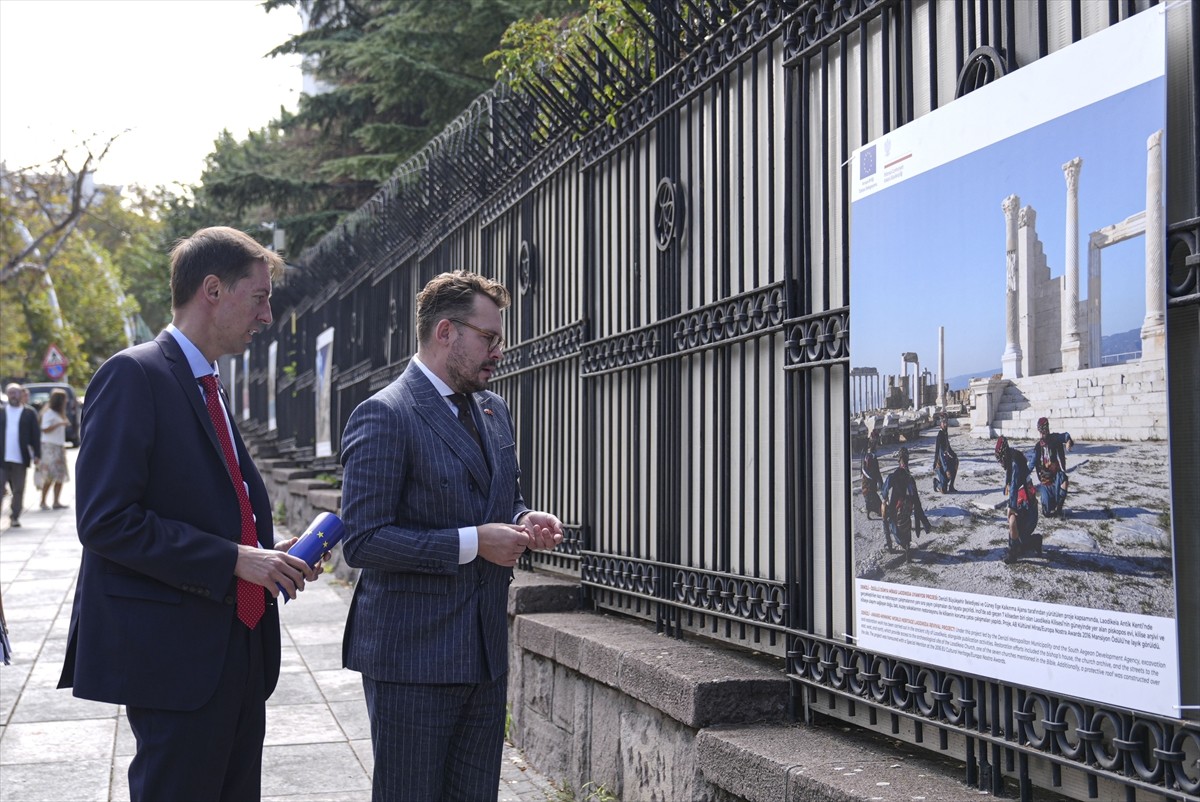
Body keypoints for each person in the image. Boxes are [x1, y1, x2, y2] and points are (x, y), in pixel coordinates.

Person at [57, 226, 321, 802]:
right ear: (213, 290)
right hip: (176, 659)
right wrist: (231, 560)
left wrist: (269, 555)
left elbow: (212, 502)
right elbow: (104, 520)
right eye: (259, 297)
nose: (268, 316)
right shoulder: (134, 374)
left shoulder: (208, 382)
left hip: (239, 648)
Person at [339, 270, 564, 801]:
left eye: (499, 339)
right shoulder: (385, 414)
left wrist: (523, 521)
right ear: (446, 332)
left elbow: (497, 503)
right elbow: (364, 540)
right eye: (488, 338)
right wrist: (474, 542)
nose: (499, 351)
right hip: (412, 661)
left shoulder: (493, 408)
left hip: (483, 655)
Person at [880, 446, 931, 560]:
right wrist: (923, 520)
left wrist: (884, 497)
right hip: (907, 506)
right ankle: (907, 546)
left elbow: (886, 486)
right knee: (906, 526)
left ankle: (890, 544)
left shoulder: (895, 474)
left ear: (899, 460)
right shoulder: (909, 477)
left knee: (888, 520)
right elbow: (915, 499)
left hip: (896, 506)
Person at [995, 436, 1041, 563]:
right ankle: (1026, 544)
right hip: (1024, 502)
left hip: (1028, 507)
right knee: (1017, 540)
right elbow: (1010, 481)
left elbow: (1014, 486)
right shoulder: (1012, 457)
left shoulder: (1015, 462)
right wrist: (1006, 485)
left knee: (1013, 521)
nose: (1001, 463)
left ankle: (1014, 553)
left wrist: (1011, 507)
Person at [2, 382, 41, 528]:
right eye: (11, 392)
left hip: (20, 458)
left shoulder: (29, 413)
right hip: (2, 459)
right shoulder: (1, 412)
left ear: (21, 394)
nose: (13, 395)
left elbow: (35, 435)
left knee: (18, 489)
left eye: (16, 392)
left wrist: (37, 454)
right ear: (7, 394)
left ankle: (15, 516)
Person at [36, 388, 71, 510]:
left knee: (60, 475)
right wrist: (60, 424)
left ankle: (56, 501)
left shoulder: (59, 413)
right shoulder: (49, 413)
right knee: (49, 475)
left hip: (59, 446)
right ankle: (43, 501)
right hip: (50, 447)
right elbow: (44, 429)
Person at [1032, 416, 1074, 517]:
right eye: (1041, 431)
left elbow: (1066, 435)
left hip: (1055, 476)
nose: (1043, 434)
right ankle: (1049, 505)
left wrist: (1068, 442)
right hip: (1045, 481)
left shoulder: (1054, 438)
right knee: (1046, 513)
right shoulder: (1038, 447)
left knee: (1064, 481)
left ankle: (1059, 509)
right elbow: (1032, 463)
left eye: (1044, 430)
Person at [932, 415, 958, 493]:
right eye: (943, 423)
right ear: (941, 424)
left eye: (946, 422)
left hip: (945, 461)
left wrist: (954, 456)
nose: (945, 424)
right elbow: (940, 454)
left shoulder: (945, 433)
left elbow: (948, 448)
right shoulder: (940, 435)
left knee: (956, 461)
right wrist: (947, 470)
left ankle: (951, 486)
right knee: (943, 490)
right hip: (939, 463)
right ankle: (936, 483)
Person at [860, 432, 882, 520]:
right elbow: (864, 469)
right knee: (871, 495)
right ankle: (874, 511)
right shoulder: (869, 455)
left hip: (869, 480)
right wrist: (873, 478)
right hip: (869, 481)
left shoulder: (870, 455)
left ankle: (871, 511)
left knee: (870, 496)